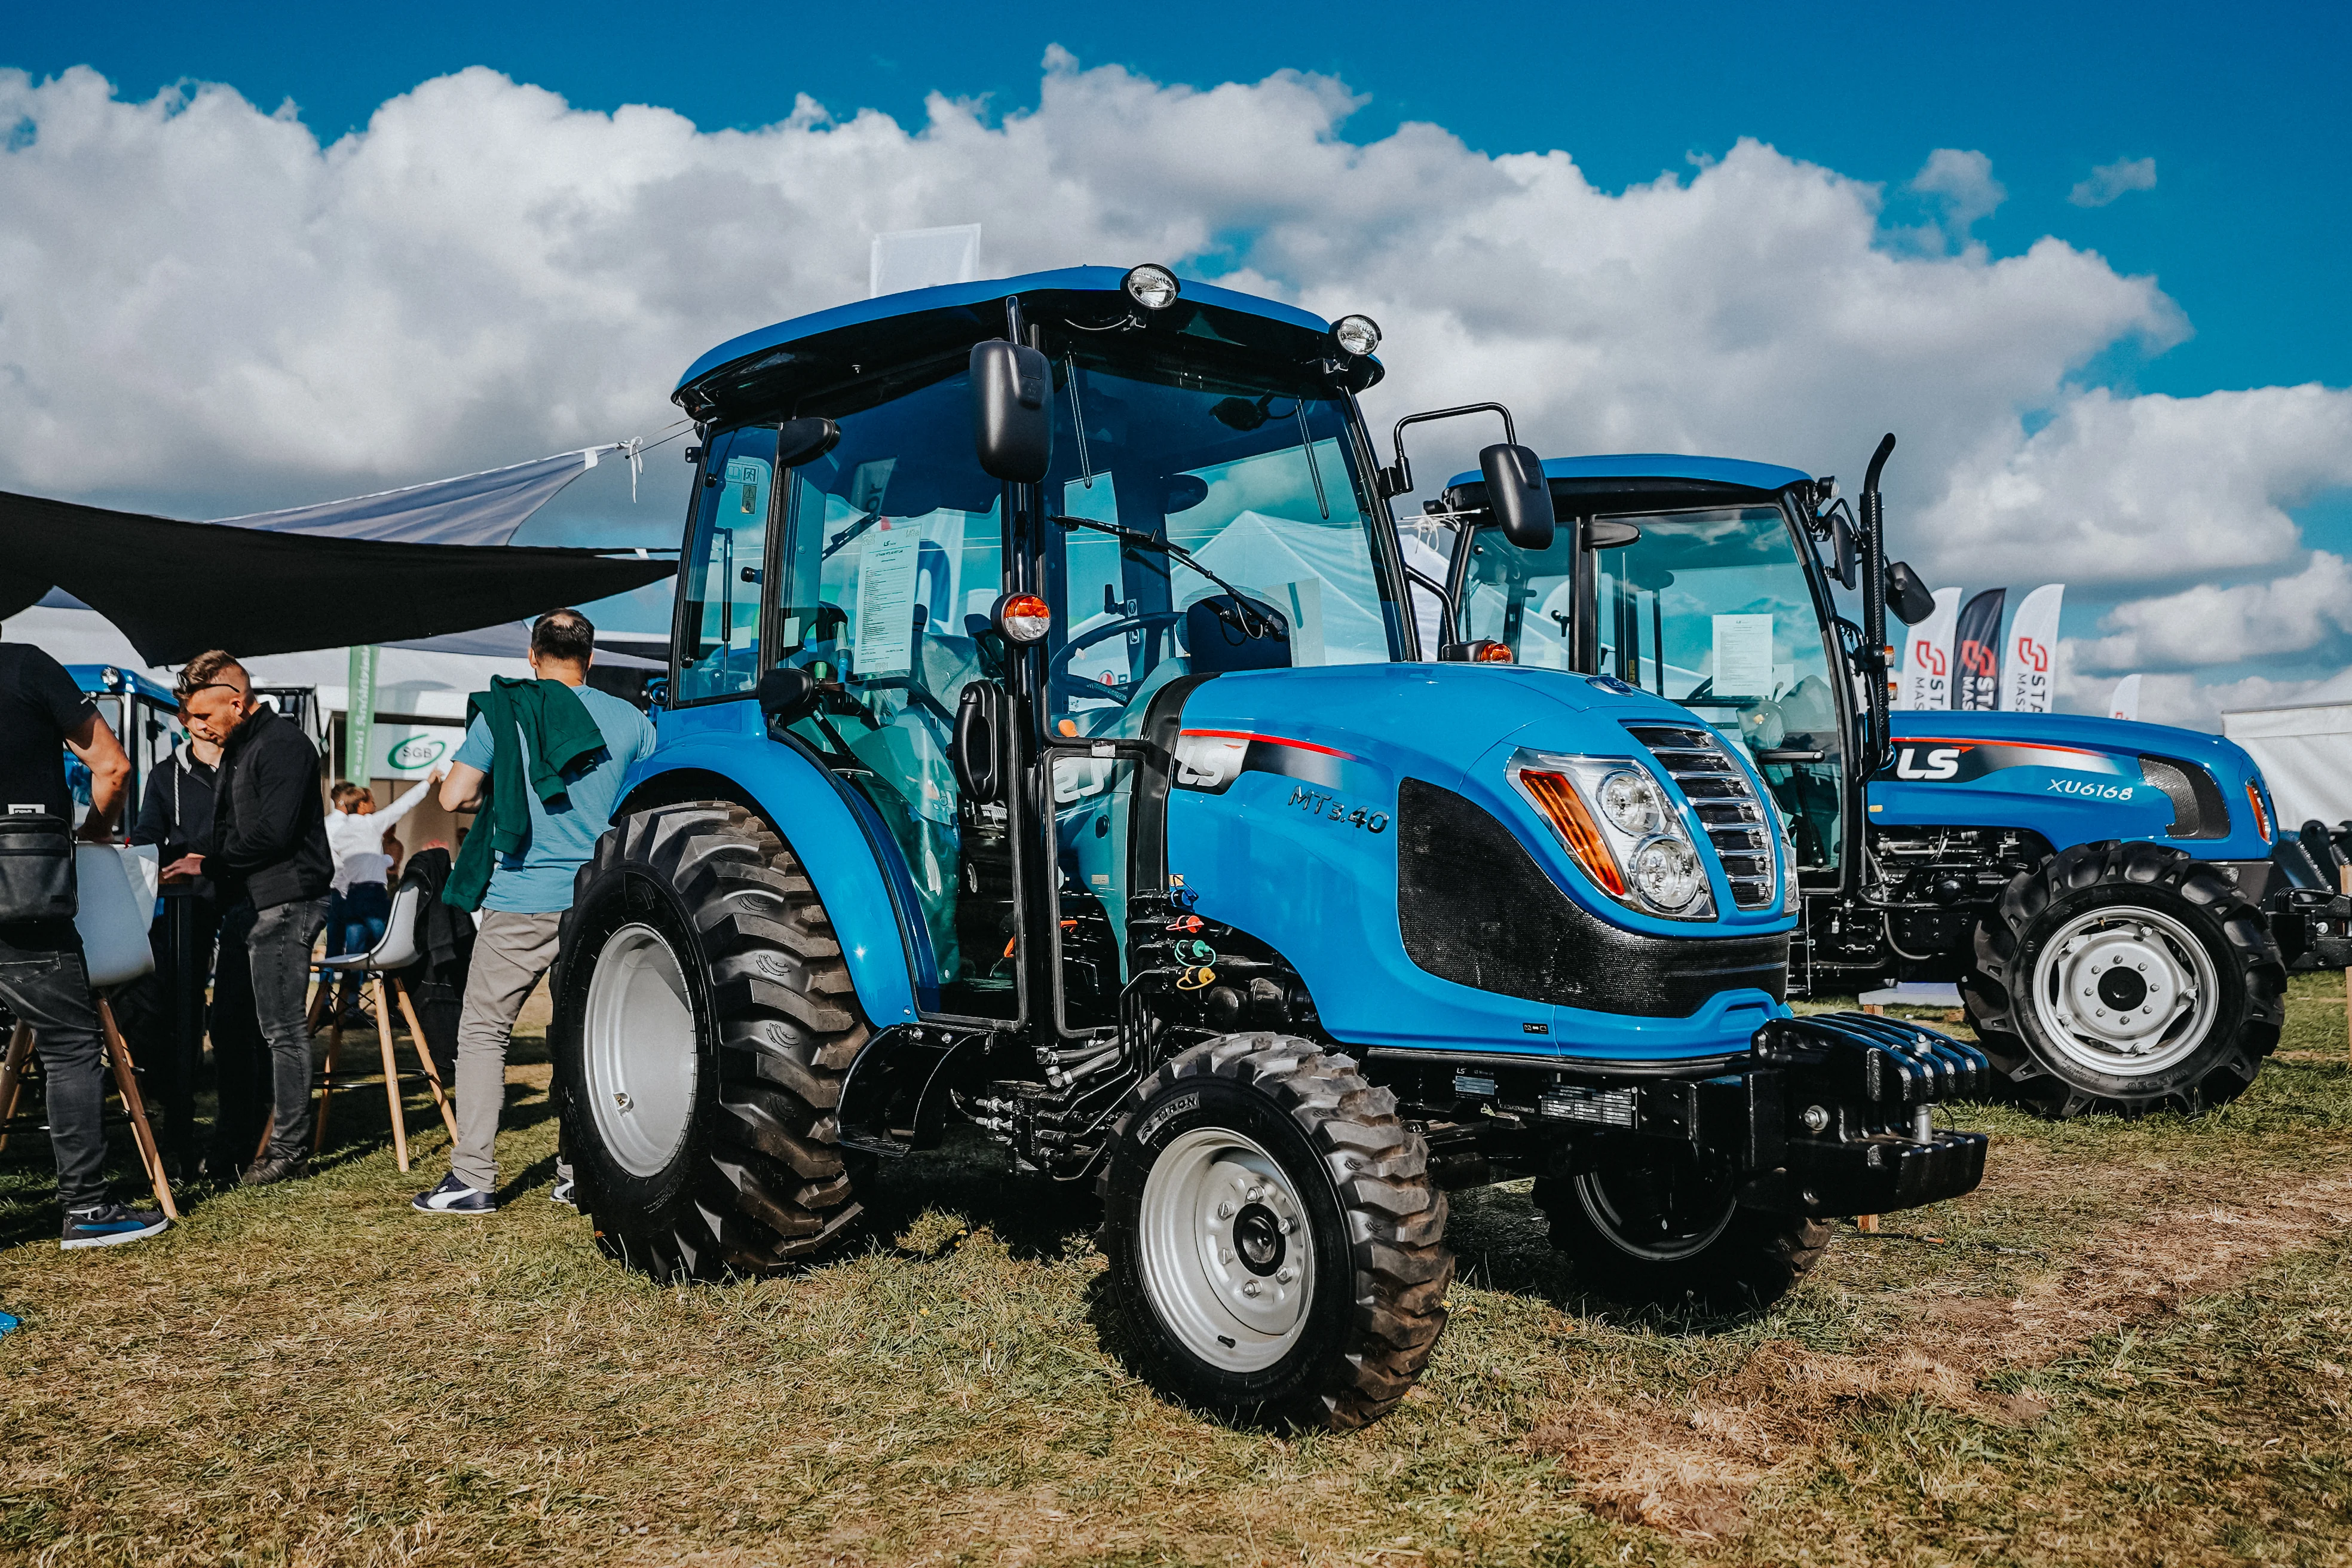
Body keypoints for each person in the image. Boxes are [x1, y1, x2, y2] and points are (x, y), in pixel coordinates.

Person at [414, 608, 653, 1215]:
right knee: (581, 1036)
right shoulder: (632, 720)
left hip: (522, 896)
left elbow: (456, 794)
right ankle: (580, 1172)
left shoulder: (506, 712)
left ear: (532, 654)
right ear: (591, 657)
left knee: (484, 1030)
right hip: (597, 898)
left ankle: (473, 1177)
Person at [0, 638, 163, 1248]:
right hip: (23, 887)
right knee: (69, 1043)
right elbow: (113, 766)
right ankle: (88, 1207)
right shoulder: (24, 664)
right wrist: (91, 836)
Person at [163, 650, 333, 1186]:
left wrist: (205, 863)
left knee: (282, 1030)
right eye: (191, 717)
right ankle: (238, 1145)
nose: (198, 726)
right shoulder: (241, 746)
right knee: (234, 1027)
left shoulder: (282, 744)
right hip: (250, 903)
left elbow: (274, 835)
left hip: (286, 900)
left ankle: (286, 1150)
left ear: (237, 701)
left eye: (206, 716)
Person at [324, 770, 442, 1018]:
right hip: (373, 898)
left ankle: (349, 1005)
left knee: (354, 955)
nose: (375, 806)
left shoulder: (340, 833)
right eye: (372, 802)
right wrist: (427, 783)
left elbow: (345, 869)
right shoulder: (372, 824)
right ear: (362, 805)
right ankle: (396, 1004)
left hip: (351, 897)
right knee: (392, 951)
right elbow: (404, 804)